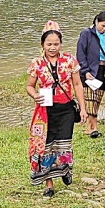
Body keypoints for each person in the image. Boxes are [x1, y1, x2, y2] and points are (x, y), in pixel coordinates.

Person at [26, 21, 86, 197]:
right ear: (42, 44)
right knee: (47, 145)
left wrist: (83, 108)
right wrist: (34, 95)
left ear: (61, 43)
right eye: (49, 44)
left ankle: (65, 170)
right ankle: (49, 184)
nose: (52, 48)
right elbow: (29, 86)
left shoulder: (69, 60)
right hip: (45, 110)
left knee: (64, 143)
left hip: (66, 108)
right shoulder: (36, 63)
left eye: (56, 44)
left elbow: (77, 84)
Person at [75, 11, 105, 138]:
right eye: (103, 26)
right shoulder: (86, 34)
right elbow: (80, 54)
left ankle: (89, 127)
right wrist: (85, 71)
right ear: (96, 21)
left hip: (103, 71)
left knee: (97, 99)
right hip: (89, 71)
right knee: (90, 99)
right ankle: (94, 128)